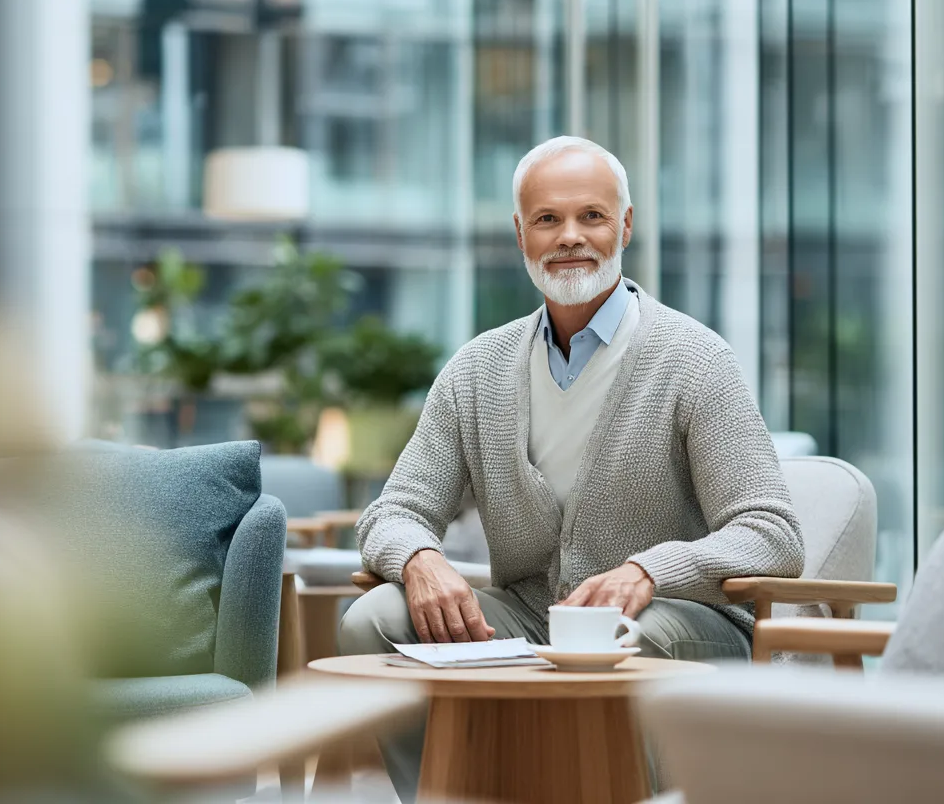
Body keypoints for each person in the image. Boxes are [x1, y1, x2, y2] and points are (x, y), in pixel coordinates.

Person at [337, 135, 805, 800]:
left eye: (592, 216)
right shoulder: (477, 369)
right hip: (532, 616)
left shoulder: (695, 360)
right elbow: (395, 509)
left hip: (678, 622)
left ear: (627, 225)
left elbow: (772, 534)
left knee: (633, 635)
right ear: (520, 231)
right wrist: (419, 559)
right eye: (549, 219)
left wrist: (650, 570)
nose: (570, 238)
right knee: (372, 618)